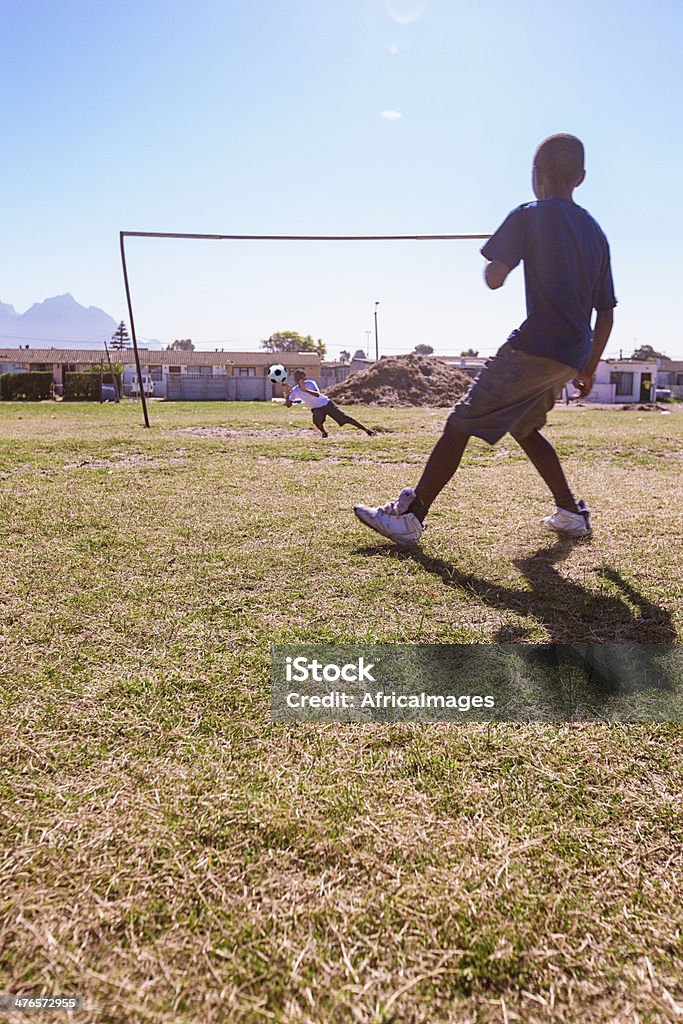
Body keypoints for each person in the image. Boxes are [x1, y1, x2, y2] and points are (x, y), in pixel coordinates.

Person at [354, 133, 616, 545]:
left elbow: (494, 279)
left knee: (459, 423)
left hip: (534, 347)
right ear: (580, 178)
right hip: (570, 354)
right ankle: (571, 511)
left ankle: (411, 516)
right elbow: (606, 312)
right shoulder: (596, 233)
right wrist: (588, 366)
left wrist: (501, 255)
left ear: (535, 175)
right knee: (525, 427)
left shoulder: (528, 214)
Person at [284, 369, 374, 438]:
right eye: (299, 379)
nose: (302, 380)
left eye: (303, 378)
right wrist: (287, 395)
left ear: (305, 378)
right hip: (316, 408)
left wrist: (306, 390)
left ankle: (366, 430)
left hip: (326, 404)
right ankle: (324, 433)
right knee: (316, 421)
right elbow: (288, 405)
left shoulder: (311, 383)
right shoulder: (295, 390)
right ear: (296, 380)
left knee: (345, 418)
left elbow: (317, 394)